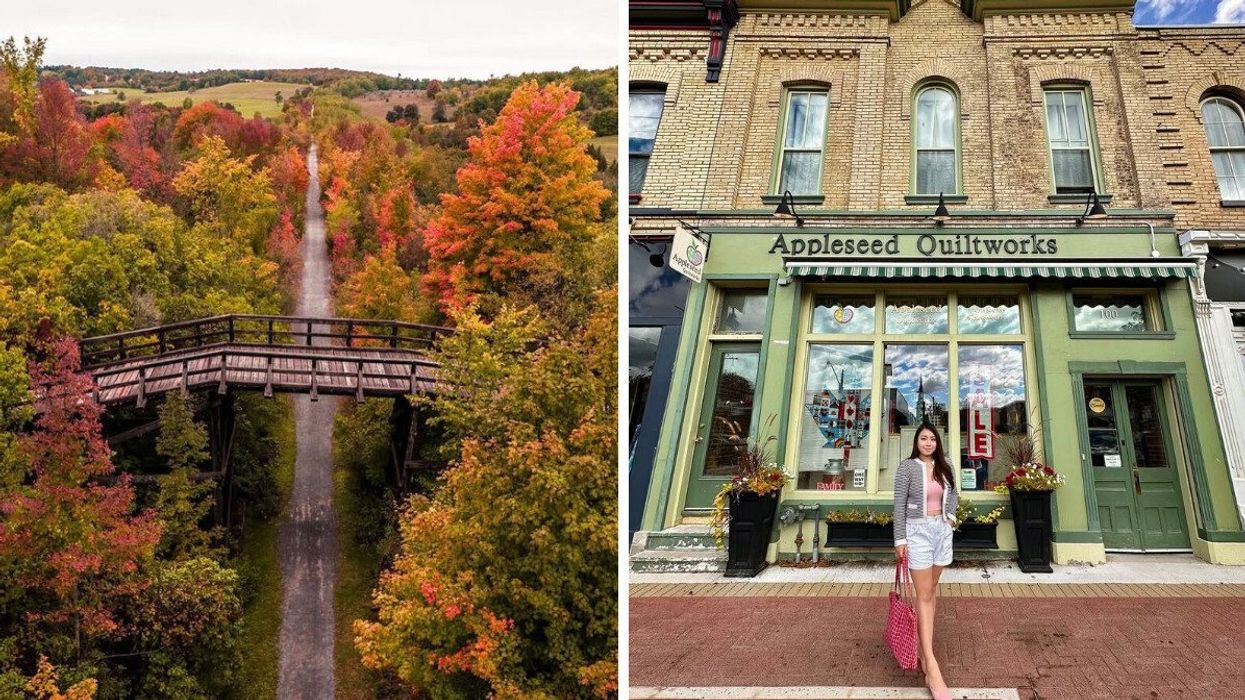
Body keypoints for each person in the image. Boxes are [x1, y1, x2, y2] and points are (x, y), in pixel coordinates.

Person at [892, 423, 959, 700]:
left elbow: (954, 493)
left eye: (932, 439)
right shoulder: (907, 467)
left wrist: (952, 518)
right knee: (923, 594)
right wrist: (900, 540)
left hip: (941, 531)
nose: (928, 442)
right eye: (924, 438)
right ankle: (931, 664)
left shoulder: (947, 465)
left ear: (937, 442)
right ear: (916, 441)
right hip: (916, 532)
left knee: (930, 592)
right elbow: (898, 504)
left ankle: (923, 648)